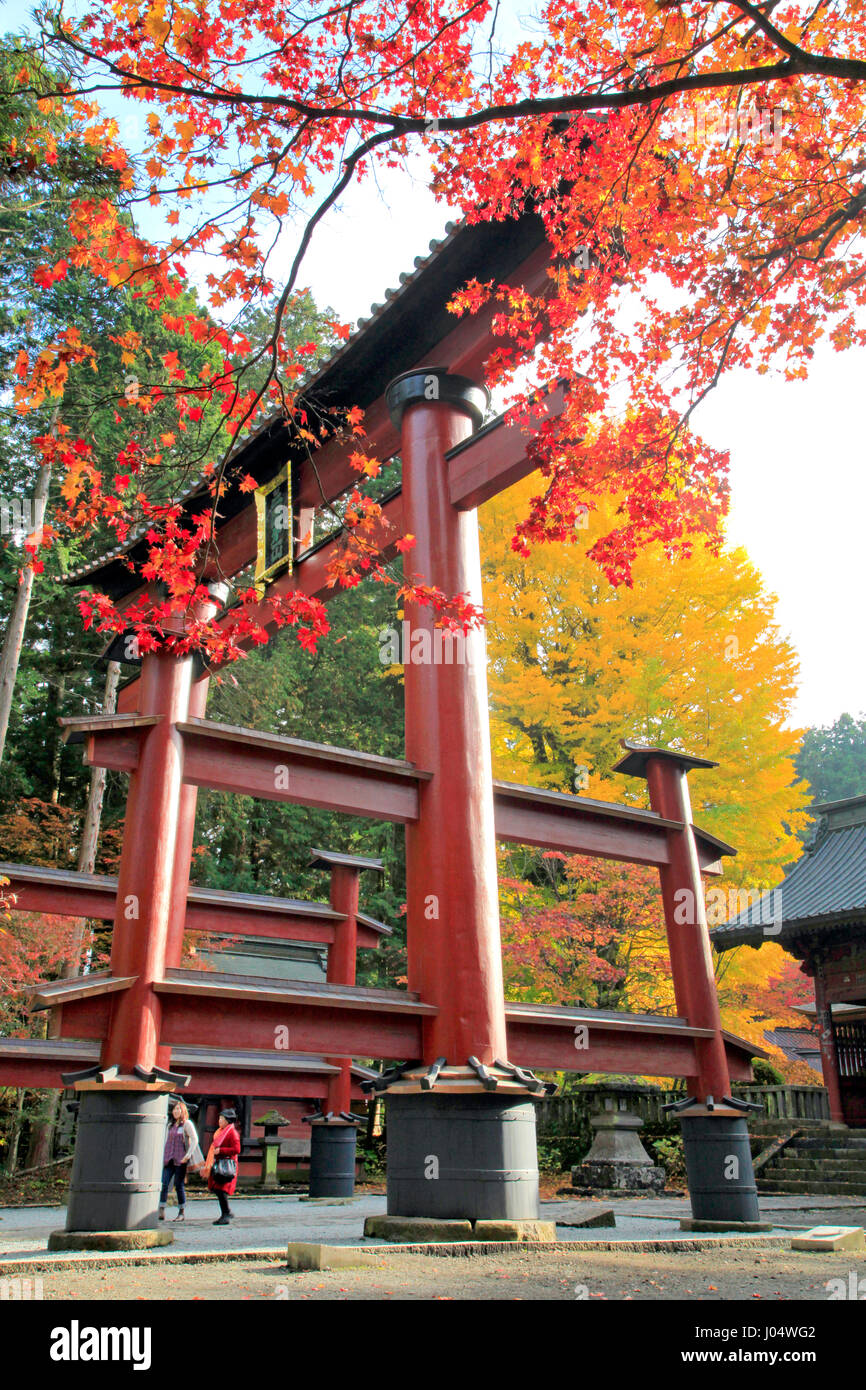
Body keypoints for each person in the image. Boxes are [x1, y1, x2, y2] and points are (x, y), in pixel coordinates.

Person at [158, 1099, 202, 1223]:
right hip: (169, 1159)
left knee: (179, 1185)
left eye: (178, 1109)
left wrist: (188, 1155)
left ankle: (181, 1211)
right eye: (174, 1109)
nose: (176, 1111)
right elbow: (165, 1140)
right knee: (164, 1183)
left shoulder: (186, 1124)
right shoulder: (170, 1125)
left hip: (181, 1159)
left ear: (183, 1111)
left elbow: (194, 1139)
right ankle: (161, 1209)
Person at [202, 1107, 241, 1225]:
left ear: (227, 1121)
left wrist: (221, 1151)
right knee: (218, 1189)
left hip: (226, 1164)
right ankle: (226, 1211)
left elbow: (237, 1149)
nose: (219, 1120)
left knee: (221, 1189)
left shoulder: (232, 1133)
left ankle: (225, 1214)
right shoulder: (221, 1131)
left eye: (221, 1118)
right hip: (219, 1163)